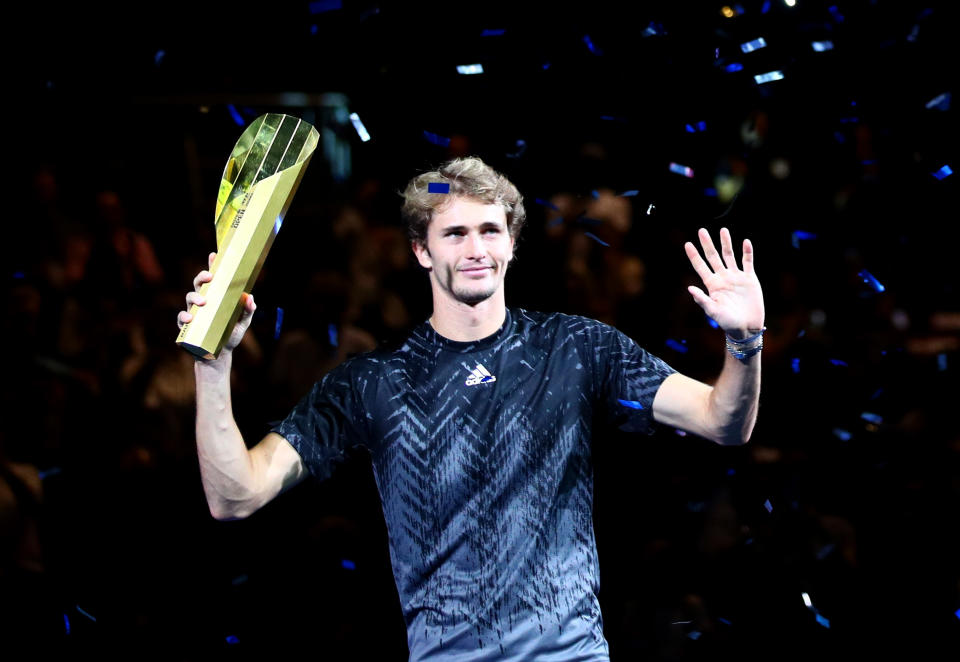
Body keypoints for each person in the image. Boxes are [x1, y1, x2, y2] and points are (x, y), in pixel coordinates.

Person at [177, 157, 764, 661]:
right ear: (421, 251)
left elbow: (722, 421)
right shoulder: (372, 381)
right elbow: (237, 496)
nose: (477, 248)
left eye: (490, 230)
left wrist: (744, 344)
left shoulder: (580, 347)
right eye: (454, 233)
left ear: (511, 242)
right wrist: (213, 365)